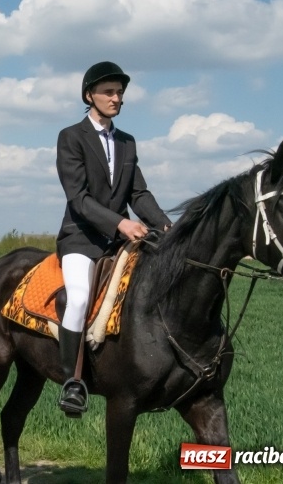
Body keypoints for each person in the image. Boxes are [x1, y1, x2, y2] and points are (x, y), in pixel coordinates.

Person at [55, 61, 171, 417]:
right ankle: (72, 382)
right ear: (89, 95)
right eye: (108, 91)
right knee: (77, 299)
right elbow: (79, 199)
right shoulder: (71, 137)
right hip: (81, 239)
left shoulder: (127, 142)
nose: (116, 98)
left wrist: (167, 226)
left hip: (118, 242)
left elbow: (139, 194)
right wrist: (121, 224)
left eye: (120, 92)